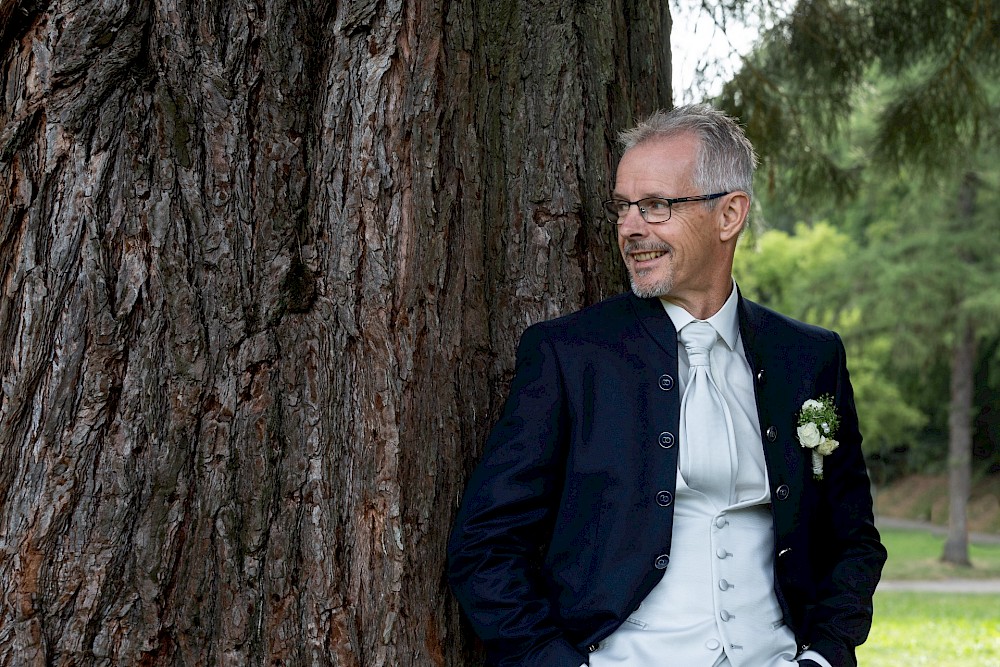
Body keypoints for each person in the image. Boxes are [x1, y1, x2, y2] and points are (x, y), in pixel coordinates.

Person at [447, 104, 885, 667]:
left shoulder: (809, 356)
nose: (631, 227)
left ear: (729, 215)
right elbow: (485, 546)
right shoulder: (569, 354)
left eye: (656, 206)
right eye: (623, 207)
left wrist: (824, 655)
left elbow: (854, 537)